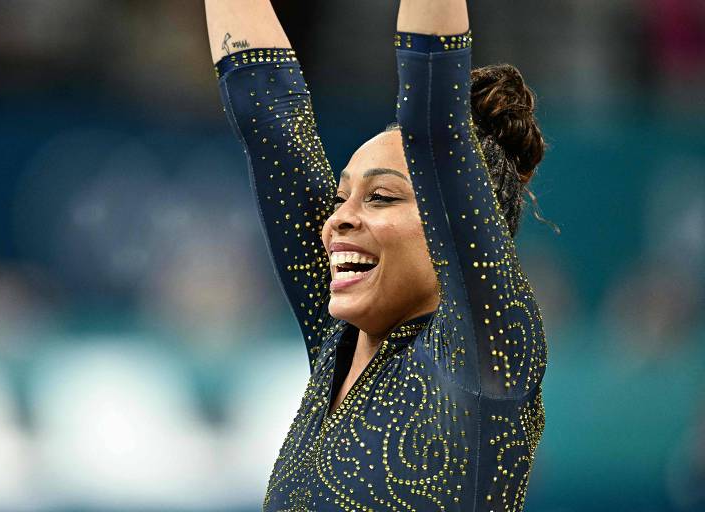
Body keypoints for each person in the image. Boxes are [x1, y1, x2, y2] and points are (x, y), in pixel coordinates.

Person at [204, 0, 547, 509]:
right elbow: (269, 116)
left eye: (382, 196)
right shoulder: (338, 342)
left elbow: (434, 124)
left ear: (456, 226)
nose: (337, 219)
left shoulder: (482, 350)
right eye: (341, 198)